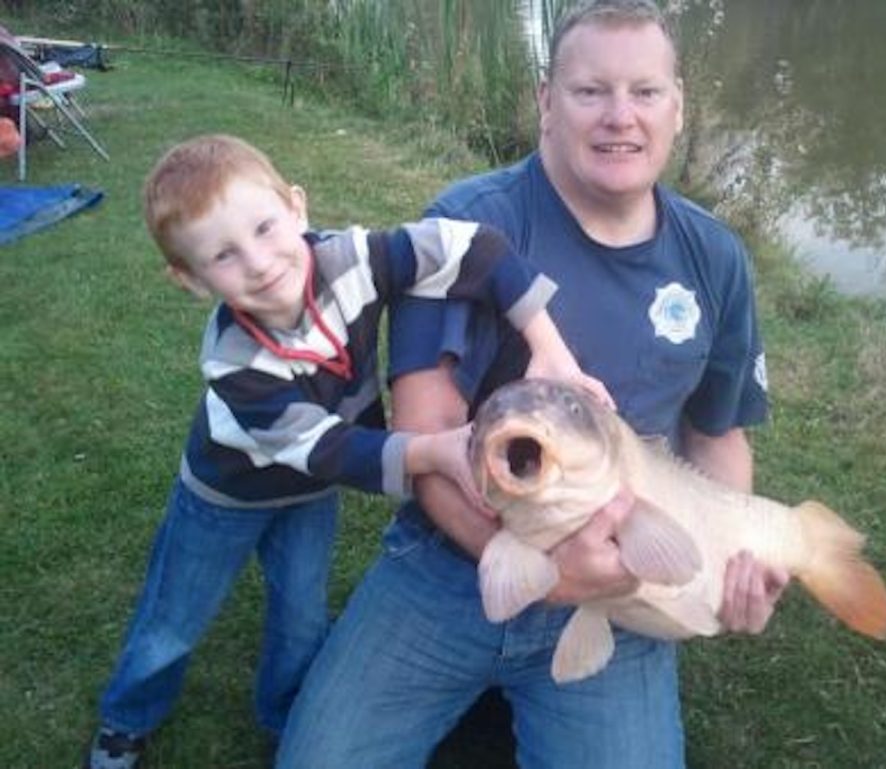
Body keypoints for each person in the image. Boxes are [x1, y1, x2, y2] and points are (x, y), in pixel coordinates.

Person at [276, 2, 790, 767]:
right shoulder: (464, 228)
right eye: (591, 92)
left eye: (645, 92)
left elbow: (718, 433)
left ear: (678, 107)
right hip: (450, 562)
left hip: (622, 593)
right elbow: (427, 425)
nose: (621, 117)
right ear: (547, 101)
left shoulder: (715, 258)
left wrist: (737, 556)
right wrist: (544, 574)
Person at [83, 134, 607, 769]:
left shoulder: (355, 258)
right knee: (173, 617)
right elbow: (333, 451)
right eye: (223, 255)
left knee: (302, 612)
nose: (259, 261)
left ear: (297, 208)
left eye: (265, 227)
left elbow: (474, 247)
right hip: (226, 496)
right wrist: (434, 450)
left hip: (307, 495)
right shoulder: (232, 363)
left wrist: (544, 342)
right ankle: (127, 717)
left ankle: (285, 712)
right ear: (190, 280)